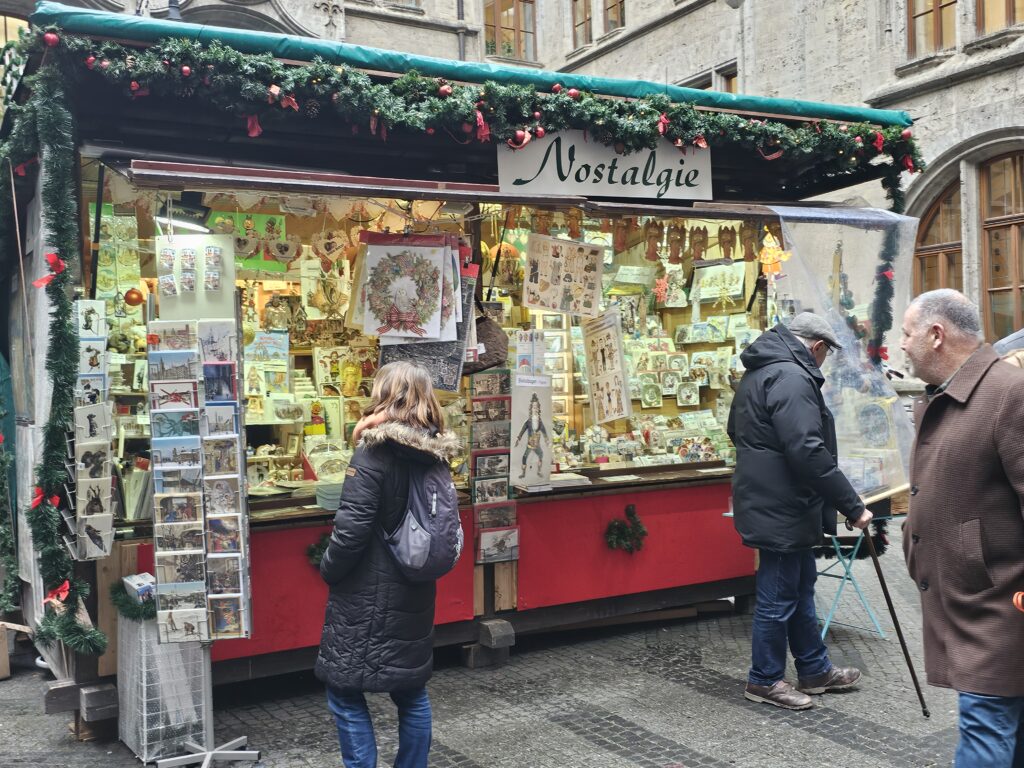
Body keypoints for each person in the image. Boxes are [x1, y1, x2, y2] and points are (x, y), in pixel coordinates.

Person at [899, 290, 1024, 767]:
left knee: (985, 730)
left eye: (908, 334)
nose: (902, 346)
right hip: (973, 604)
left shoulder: (1007, 395)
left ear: (936, 336)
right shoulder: (950, 395)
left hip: (1000, 609)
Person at [315, 361, 461, 768]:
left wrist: (328, 569)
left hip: (366, 591)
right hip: (414, 584)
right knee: (411, 690)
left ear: (384, 394)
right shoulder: (435, 450)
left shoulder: (374, 450)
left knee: (343, 691)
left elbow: (351, 529)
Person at [727, 312, 871, 711]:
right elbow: (808, 449)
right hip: (782, 505)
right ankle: (764, 679)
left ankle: (813, 668)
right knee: (777, 595)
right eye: (826, 354)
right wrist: (853, 506)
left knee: (800, 586)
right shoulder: (791, 377)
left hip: (776, 500)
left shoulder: (763, 371)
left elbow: (735, 431)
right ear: (817, 347)